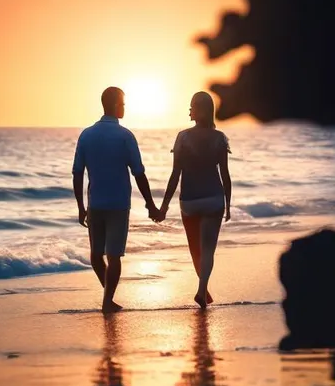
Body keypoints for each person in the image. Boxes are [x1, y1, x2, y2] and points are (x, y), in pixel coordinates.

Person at [72, 86, 159, 313]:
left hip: (96, 204)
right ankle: (107, 300)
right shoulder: (125, 136)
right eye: (122, 103)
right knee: (113, 256)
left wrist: (81, 207)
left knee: (96, 255)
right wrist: (150, 204)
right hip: (119, 205)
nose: (124, 107)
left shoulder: (86, 135)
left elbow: (77, 173)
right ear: (114, 105)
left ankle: (107, 295)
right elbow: (138, 172)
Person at [159, 91, 231, 308]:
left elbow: (175, 175)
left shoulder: (182, 137)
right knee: (208, 250)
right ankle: (202, 290)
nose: (189, 110)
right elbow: (225, 175)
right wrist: (228, 205)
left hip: (189, 201)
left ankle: (203, 290)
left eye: (191, 106)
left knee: (195, 250)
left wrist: (163, 207)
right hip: (213, 199)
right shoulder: (220, 138)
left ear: (199, 110)